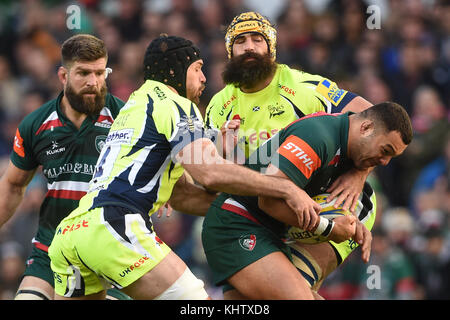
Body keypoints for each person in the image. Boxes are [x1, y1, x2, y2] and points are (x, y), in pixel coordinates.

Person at [48, 35, 325, 300]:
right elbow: (210, 172)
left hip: (73, 233)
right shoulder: (176, 103)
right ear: (177, 71)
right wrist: (284, 189)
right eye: (198, 69)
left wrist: (252, 211)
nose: (204, 78)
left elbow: (182, 196)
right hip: (116, 225)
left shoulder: (135, 105)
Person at [204, 11, 376, 296]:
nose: (249, 47)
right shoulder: (218, 106)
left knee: (292, 285)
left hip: (333, 199)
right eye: (240, 41)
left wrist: (360, 173)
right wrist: (224, 156)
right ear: (229, 51)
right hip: (273, 212)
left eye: (257, 39)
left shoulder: (303, 87)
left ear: (270, 47)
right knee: (244, 295)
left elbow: (375, 122)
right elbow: (211, 178)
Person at [202, 102, 413, 299]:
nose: (385, 162)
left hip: (270, 232)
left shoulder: (348, 146)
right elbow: (268, 200)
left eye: (391, 157)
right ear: (365, 127)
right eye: (385, 151)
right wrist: (329, 228)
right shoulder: (318, 137)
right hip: (237, 224)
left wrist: (348, 221)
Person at [0, 34, 132, 300]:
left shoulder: (126, 118)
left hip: (109, 250)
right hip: (52, 246)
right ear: (63, 76)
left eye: (100, 72)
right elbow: (13, 185)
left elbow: (157, 164)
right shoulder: (35, 125)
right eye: (83, 73)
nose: (93, 82)